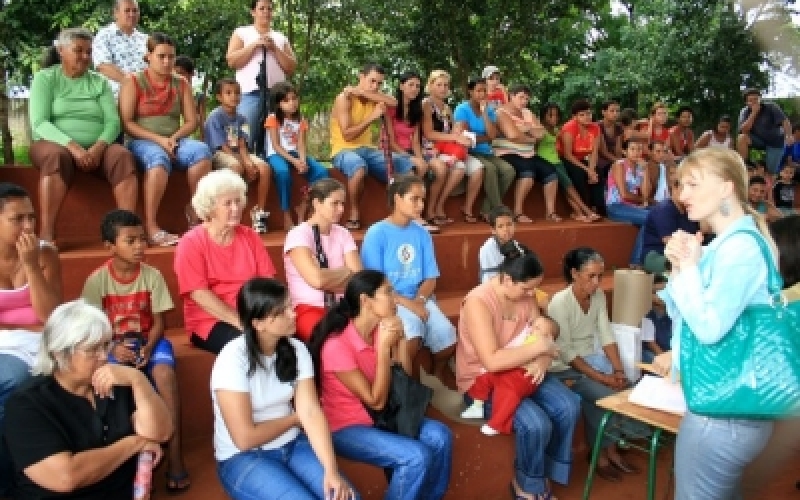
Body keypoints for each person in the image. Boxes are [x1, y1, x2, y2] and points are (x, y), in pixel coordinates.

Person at [651, 147, 778, 498]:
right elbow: (691, 317)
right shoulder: (733, 243)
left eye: (692, 184)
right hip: (730, 407)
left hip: (721, 414)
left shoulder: (739, 249)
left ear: (726, 188)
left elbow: (708, 328)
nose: (681, 195)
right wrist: (682, 266)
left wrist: (690, 268)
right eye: (679, 185)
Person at [308, 269, 452, 500]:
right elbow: (375, 401)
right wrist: (384, 350)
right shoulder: (337, 345)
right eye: (388, 292)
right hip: (347, 426)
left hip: (385, 416)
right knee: (415, 457)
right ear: (366, 300)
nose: (395, 299)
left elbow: (402, 381)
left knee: (441, 436)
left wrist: (401, 341)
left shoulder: (381, 329)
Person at [4, 299, 172, 498]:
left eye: (106, 346)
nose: (103, 356)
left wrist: (139, 380)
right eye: (93, 349)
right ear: (59, 353)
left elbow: (161, 433)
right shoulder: (27, 404)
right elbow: (66, 477)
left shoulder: (118, 382)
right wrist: (135, 443)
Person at [212, 278, 355, 500]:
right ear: (258, 323)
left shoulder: (297, 350)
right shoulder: (232, 358)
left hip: (293, 444)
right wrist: (294, 420)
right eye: (282, 311)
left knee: (347, 497)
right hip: (243, 457)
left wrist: (331, 469)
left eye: (290, 305)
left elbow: (310, 412)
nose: (293, 314)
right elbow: (245, 438)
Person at [81, 209, 189, 493]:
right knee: (115, 381)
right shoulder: (97, 281)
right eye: (130, 241)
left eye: (142, 239)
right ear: (110, 247)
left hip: (149, 341)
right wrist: (114, 347)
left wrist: (148, 348)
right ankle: (133, 458)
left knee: (165, 375)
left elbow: (159, 324)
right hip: (111, 345)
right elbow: (94, 328)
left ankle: (175, 457)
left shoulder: (152, 276)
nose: (140, 246)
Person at [457, 251, 580, 500]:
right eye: (526, 289)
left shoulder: (525, 292)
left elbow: (546, 328)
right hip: (483, 381)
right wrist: (539, 348)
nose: (530, 295)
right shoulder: (478, 302)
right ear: (506, 279)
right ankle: (526, 485)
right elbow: (492, 361)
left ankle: (545, 473)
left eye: (534, 289)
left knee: (568, 406)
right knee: (535, 424)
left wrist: (544, 358)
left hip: (523, 370)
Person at [29, 28, 138, 244]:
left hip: (97, 148)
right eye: (78, 51)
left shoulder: (99, 82)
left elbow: (113, 122)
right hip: (55, 146)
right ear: (61, 51)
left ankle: (127, 232)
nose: (85, 57)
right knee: (55, 157)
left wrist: (98, 147)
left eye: (89, 52)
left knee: (122, 156)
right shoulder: (46, 78)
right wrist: (74, 148)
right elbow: (40, 122)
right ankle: (47, 234)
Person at [547, 247, 640, 483]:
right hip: (565, 368)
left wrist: (618, 370)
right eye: (591, 276)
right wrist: (603, 378)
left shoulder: (597, 297)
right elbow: (566, 352)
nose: (597, 282)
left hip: (591, 360)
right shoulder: (560, 302)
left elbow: (606, 335)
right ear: (575, 273)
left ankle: (611, 450)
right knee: (604, 395)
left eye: (600, 276)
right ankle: (600, 456)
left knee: (625, 385)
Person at [360, 175, 458, 388]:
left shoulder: (422, 233)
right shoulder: (376, 233)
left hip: (419, 298)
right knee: (410, 331)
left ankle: (437, 371)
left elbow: (430, 277)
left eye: (422, 200)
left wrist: (421, 299)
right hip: (389, 300)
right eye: (414, 199)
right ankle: (410, 388)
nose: (420, 205)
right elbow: (375, 283)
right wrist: (408, 304)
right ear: (397, 198)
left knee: (447, 336)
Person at [119, 32, 212, 246]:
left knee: (201, 152)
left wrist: (172, 138)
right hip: (142, 140)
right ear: (148, 56)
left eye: (171, 56)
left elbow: (191, 121)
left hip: (174, 139)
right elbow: (127, 123)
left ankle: (194, 211)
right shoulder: (133, 81)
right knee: (158, 159)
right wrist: (160, 140)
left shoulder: (181, 84)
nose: (167, 61)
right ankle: (151, 226)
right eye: (161, 56)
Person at [0, 183, 62, 496]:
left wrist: (30, 267)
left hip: (32, 346)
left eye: (32, 218)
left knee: (7, 381)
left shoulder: (45, 254)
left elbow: (50, 316)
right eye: (17, 219)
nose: (28, 226)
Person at [174, 169, 276, 354]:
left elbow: (267, 282)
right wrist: (243, 323)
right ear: (210, 208)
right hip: (209, 321)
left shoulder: (250, 236)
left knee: (291, 342)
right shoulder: (191, 242)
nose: (236, 208)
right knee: (250, 346)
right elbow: (200, 295)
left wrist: (270, 316)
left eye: (238, 201)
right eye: (227, 203)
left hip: (252, 315)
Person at [330, 63, 414, 229]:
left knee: (406, 164)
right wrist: (372, 117)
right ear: (361, 77)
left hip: (367, 150)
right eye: (372, 81)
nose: (375, 86)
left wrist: (364, 92)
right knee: (358, 167)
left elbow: (394, 102)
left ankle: (404, 213)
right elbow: (347, 134)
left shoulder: (372, 96)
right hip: (343, 150)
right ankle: (354, 212)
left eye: (379, 83)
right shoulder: (344, 98)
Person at [284, 178, 362, 342]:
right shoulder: (298, 235)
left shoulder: (343, 233)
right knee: (331, 341)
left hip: (343, 306)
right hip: (308, 307)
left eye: (342, 203)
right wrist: (345, 272)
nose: (341, 209)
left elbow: (358, 280)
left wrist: (327, 274)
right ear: (317, 203)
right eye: (334, 203)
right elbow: (317, 280)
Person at [461, 315, 559, 436]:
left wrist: (544, 359)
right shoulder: (527, 337)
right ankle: (477, 405)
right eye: (532, 325)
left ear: (548, 337)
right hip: (509, 369)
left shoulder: (541, 342)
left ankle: (497, 424)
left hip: (525, 376)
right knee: (485, 378)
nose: (532, 329)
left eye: (538, 328)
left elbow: (554, 351)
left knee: (508, 394)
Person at [226, 0, 296, 152]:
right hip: (248, 94)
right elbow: (231, 61)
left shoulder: (280, 37)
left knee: (275, 141)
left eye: (269, 9)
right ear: (253, 12)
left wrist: (274, 48)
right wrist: (254, 45)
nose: (266, 12)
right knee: (243, 136)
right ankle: (239, 167)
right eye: (262, 8)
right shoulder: (241, 32)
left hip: (276, 97)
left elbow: (291, 67)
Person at [204, 77, 272, 233]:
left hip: (239, 152)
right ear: (219, 97)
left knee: (264, 168)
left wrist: (247, 161)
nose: (234, 96)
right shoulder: (215, 117)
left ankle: (259, 213)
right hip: (221, 153)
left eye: (237, 93)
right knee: (235, 168)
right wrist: (242, 164)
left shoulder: (243, 118)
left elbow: (243, 144)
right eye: (228, 93)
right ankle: (228, 211)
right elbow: (222, 146)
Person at [384, 71, 446, 232]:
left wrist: (420, 158)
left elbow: (415, 140)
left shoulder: (417, 109)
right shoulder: (390, 109)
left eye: (417, 86)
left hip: (412, 149)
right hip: (394, 150)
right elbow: (390, 141)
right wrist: (410, 157)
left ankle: (430, 211)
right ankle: (416, 217)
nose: (414, 89)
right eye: (410, 85)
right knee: (416, 167)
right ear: (401, 86)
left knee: (439, 167)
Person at [421, 70, 485, 224]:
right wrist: (455, 137)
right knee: (459, 167)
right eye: (439, 85)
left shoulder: (447, 108)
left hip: (449, 147)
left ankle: (442, 205)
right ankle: (431, 210)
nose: (443, 88)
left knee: (478, 168)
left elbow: (452, 131)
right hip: (432, 148)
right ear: (430, 86)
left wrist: (463, 136)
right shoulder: (426, 104)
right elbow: (429, 134)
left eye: (445, 85)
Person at [265, 81, 330, 230]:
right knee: (282, 173)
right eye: (286, 100)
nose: (292, 103)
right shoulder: (272, 118)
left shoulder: (301, 120)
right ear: (278, 103)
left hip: (295, 153)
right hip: (277, 154)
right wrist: (294, 161)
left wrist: (301, 160)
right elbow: (276, 145)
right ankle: (286, 214)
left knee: (322, 172)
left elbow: (301, 144)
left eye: (294, 98)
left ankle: (304, 204)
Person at [453, 76, 516, 223]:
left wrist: (485, 114)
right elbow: (465, 137)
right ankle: (498, 208)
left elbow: (492, 135)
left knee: (509, 171)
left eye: (484, 91)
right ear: (470, 91)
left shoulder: (488, 109)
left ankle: (487, 209)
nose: (482, 94)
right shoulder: (462, 109)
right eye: (478, 91)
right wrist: (484, 137)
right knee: (490, 169)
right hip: (469, 152)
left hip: (486, 151)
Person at [495, 85, 560, 223]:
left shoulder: (527, 113)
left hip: (529, 153)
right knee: (527, 172)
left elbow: (541, 133)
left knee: (551, 172)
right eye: (521, 97)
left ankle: (550, 212)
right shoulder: (501, 112)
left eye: (526, 98)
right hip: (507, 152)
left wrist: (524, 129)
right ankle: (518, 212)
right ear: (511, 96)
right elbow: (512, 136)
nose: (524, 101)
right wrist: (531, 134)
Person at [537, 102, 599, 222]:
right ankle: (586, 211)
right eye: (550, 115)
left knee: (567, 186)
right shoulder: (540, 129)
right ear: (543, 116)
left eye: (556, 115)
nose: (554, 118)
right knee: (569, 186)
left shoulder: (557, 130)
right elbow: (535, 148)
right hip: (546, 161)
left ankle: (579, 212)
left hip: (556, 161)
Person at [606, 140, 652, 267]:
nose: (636, 152)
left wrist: (646, 170)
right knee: (652, 217)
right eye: (632, 149)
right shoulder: (619, 165)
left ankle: (638, 261)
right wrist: (643, 200)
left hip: (632, 207)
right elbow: (624, 195)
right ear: (624, 151)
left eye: (639, 149)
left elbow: (646, 194)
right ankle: (636, 261)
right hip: (616, 206)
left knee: (654, 217)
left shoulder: (639, 167)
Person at [557, 98, 604, 216]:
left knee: (597, 172)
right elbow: (567, 154)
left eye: (588, 113)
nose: (587, 117)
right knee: (578, 173)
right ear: (575, 117)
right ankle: (583, 208)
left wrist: (592, 170)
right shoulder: (569, 128)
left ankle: (598, 207)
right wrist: (587, 169)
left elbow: (594, 152)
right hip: (565, 158)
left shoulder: (595, 128)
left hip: (582, 159)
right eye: (582, 115)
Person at [92, 0, 148, 99]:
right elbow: (103, 66)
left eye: (135, 11)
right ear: (116, 13)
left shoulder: (145, 39)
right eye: (127, 10)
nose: (132, 14)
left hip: (146, 97)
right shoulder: (104, 35)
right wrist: (134, 85)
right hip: (114, 97)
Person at [641, 178, 699, 268]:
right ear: (674, 189)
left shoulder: (689, 210)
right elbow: (670, 241)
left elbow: (703, 231)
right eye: (683, 189)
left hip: (684, 252)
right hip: (657, 255)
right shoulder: (663, 210)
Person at [737, 88, 793, 174]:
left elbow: (785, 122)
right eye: (750, 100)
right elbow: (744, 130)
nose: (754, 102)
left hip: (775, 142)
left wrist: (788, 135)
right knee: (742, 137)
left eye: (756, 99)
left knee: (770, 172)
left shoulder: (771, 107)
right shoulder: (744, 111)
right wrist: (753, 113)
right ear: (746, 102)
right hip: (758, 140)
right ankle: (743, 165)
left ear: (760, 99)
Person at [174, 55, 207, 141]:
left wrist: (203, 139)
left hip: (191, 139)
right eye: (174, 73)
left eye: (181, 73)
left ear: (192, 73)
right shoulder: (173, 93)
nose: (177, 77)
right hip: (173, 135)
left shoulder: (198, 95)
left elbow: (202, 121)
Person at [596, 100, 623, 180]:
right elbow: (603, 151)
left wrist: (621, 161)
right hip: (600, 159)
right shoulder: (598, 126)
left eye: (617, 111)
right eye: (612, 111)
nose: (615, 113)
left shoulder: (618, 127)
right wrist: (618, 161)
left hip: (614, 158)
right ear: (604, 112)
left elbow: (618, 149)